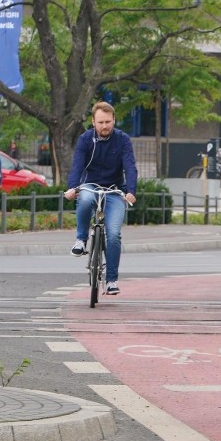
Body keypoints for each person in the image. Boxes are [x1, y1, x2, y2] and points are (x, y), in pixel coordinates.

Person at [64, 101, 138, 296]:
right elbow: (77, 166)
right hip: (90, 185)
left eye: (108, 121)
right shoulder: (86, 140)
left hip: (114, 191)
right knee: (86, 198)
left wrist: (131, 190)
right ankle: (81, 240)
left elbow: (130, 166)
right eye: (100, 122)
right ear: (93, 122)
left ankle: (111, 280)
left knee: (113, 234)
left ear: (114, 120)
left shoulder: (122, 140)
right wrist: (72, 188)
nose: (105, 126)